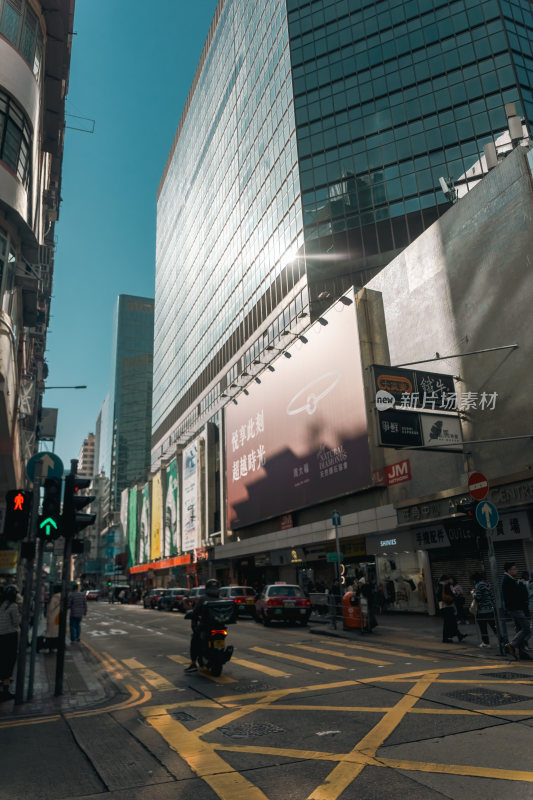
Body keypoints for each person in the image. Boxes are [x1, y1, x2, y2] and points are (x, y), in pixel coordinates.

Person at [184, 578, 220, 673]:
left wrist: (192, 617)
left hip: (205, 627)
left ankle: (193, 663)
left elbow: (195, 613)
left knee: (194, 640)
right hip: (220, 627)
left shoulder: (203, 599)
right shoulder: (220, 599)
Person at [502, 562, 531, 660]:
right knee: (527, 628)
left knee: (520, 629)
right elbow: (516, 595)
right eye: (514, 569)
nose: (516, 570)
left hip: (515, 608)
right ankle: (511, 645)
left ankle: (523, 653)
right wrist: (521, 585)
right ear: (509, 570)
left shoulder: (510, 579)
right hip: (515, 608)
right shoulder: (508, 580)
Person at [0, 585, 21, 701]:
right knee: (8, 662)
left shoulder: (1, 604)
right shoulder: (13, 606)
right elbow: (16, 623)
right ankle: (6, 691)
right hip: (9, 637)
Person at [439, 575, 468, 644]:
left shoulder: (440, 586)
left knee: (451, 622)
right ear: (445, 580)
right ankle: (445, 638)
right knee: (448, 622)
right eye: (448, 579)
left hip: (445, 606)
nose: (449, 581)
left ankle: (459, 635)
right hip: (447, 606)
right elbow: (448, 596)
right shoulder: (444, 586)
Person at [471, 573, 497, 648]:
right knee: (494, 626)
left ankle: (486, 643)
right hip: (489, 609)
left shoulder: (479, 585)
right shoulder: (487, 585)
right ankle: (502, 641)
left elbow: (478, 597)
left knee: (483, 628)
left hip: (482, 610)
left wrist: (473, 593)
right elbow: (491, 596)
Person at [45, 584, 62, 652]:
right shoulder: (62, 597)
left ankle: (50, 647)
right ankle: (56, 646)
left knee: (51, 633)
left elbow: (50, 609)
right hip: (59, 617)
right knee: (57, 632)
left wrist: (47, 616)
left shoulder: (54, 598)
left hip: (53, 617)